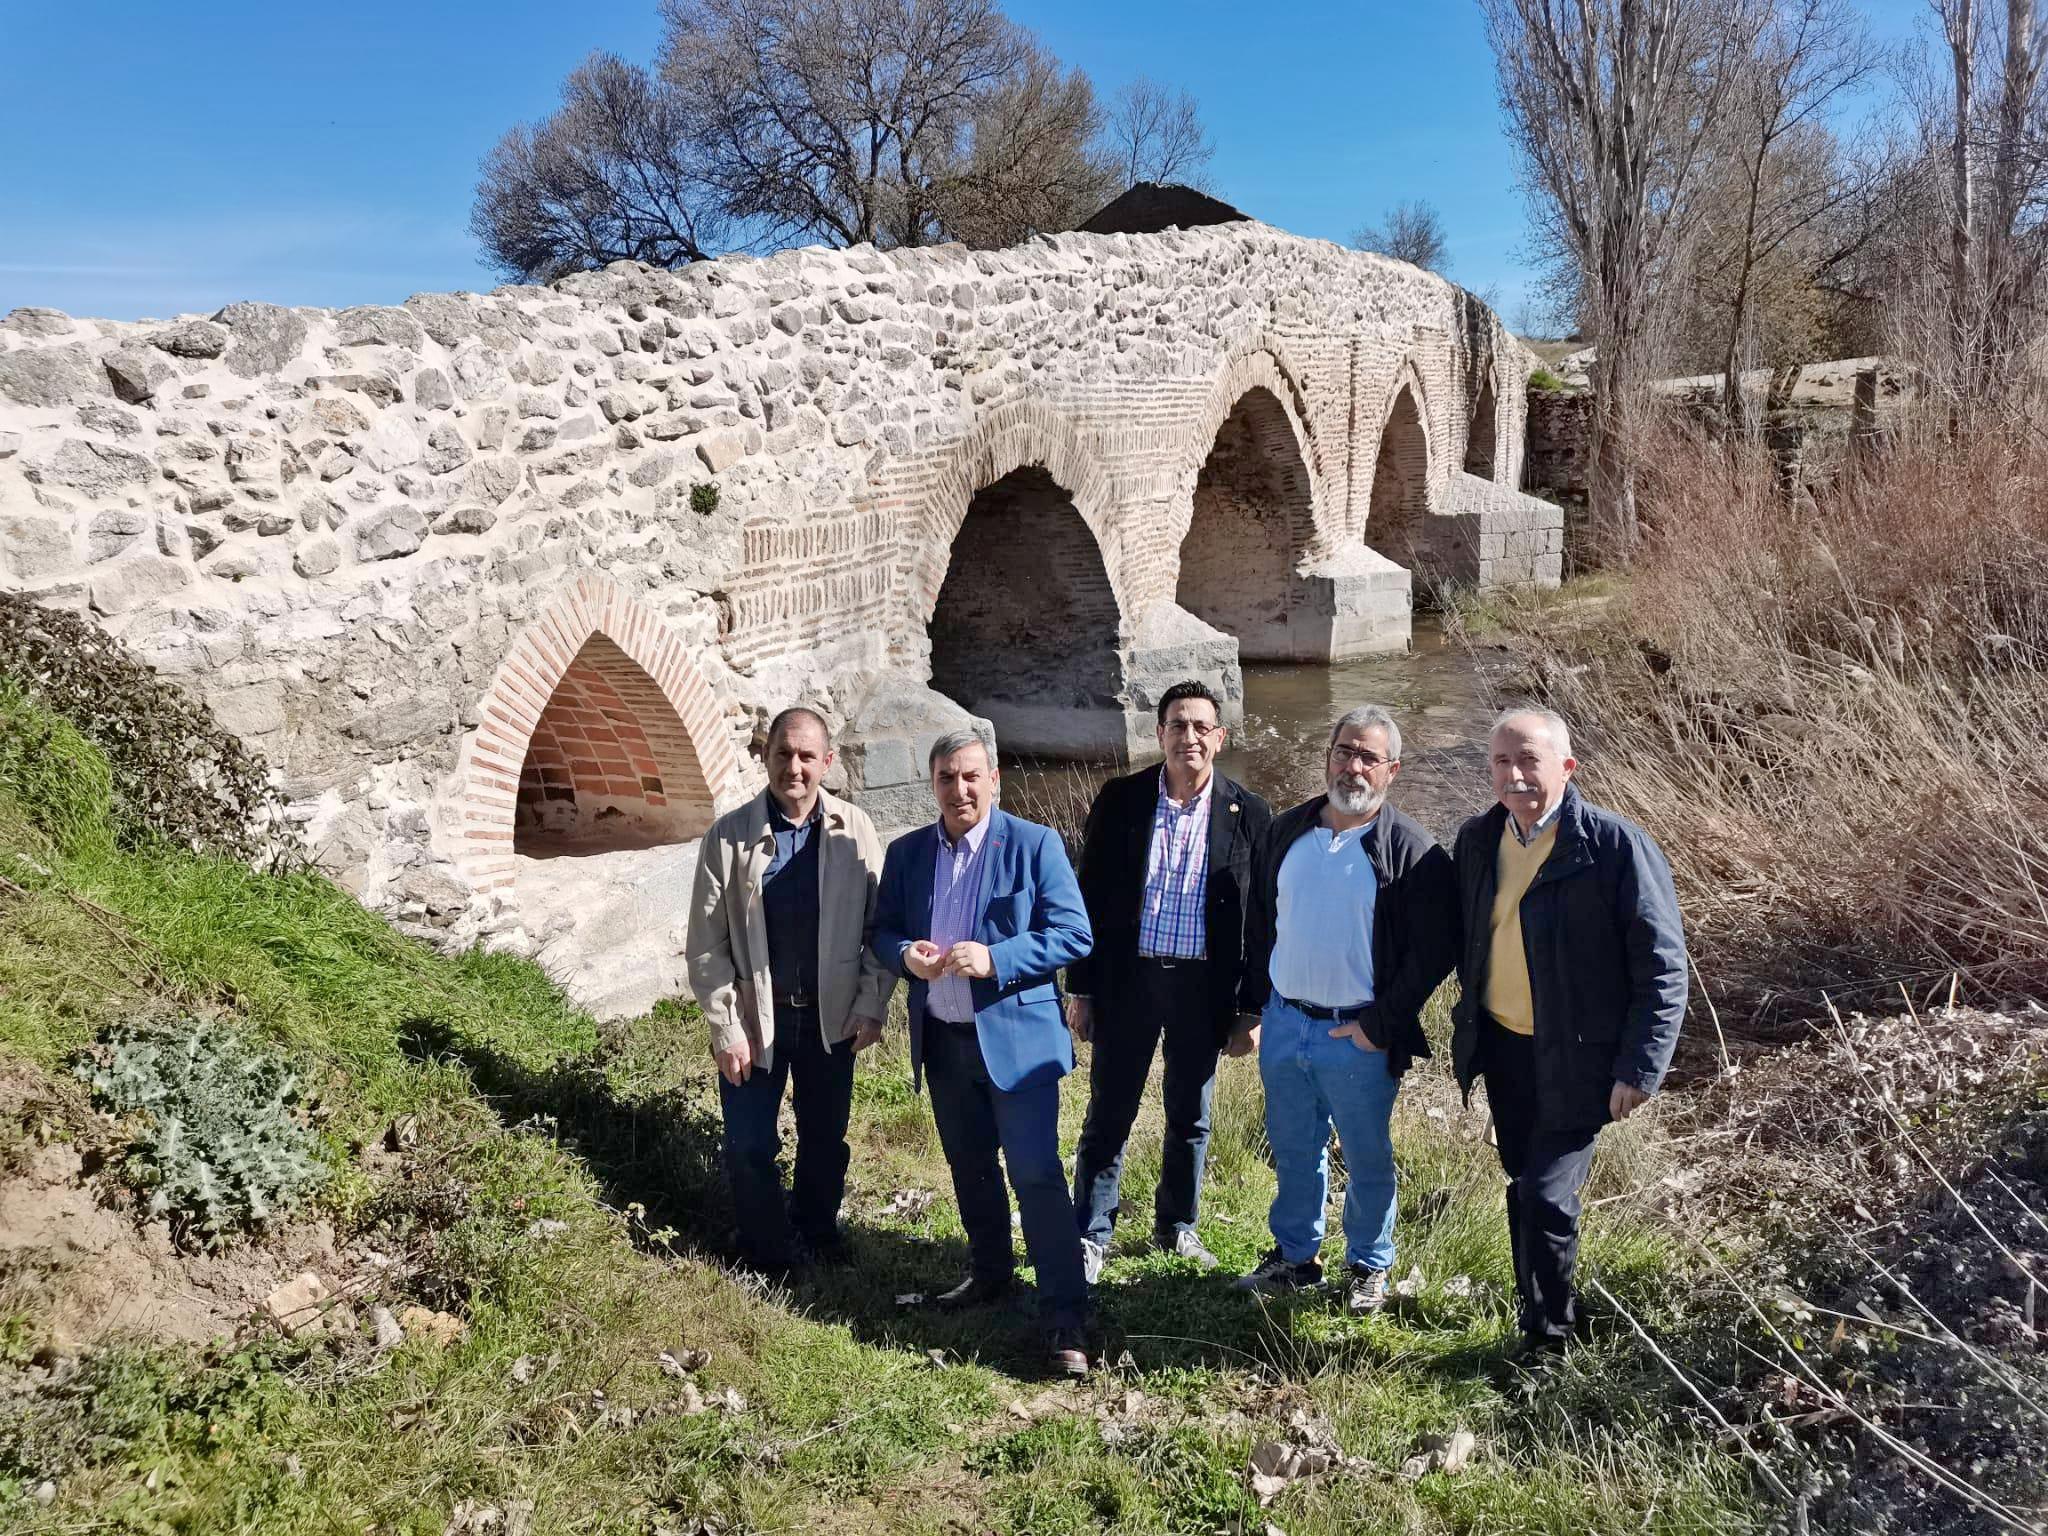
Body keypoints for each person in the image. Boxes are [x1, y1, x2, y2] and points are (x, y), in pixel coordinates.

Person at [1450, 707, 1687, 1363]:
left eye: (1530, 760)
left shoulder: (1613, 848)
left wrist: (1641, 1068)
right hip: (1504, 1048)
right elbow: (1459, 936)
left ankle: (1551, 1341)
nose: (1516, 775)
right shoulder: (1479, 840)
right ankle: (1535, 1314)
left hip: (1579, 1056)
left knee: (1546, 1195)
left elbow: (1662, 966)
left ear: (1567, 767)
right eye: (1502, 761)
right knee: (1522, 1181)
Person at [871, 725, 1096, 1376]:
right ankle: (992, 1274)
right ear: (933, 784)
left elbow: (1074, 933)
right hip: (943, 1042)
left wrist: (997, 957)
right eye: (947, 777)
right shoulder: (909, 853)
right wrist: (905, 956)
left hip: (1017, 1045)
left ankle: (1066, 1316)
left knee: (1034, 1173)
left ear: (994, 779)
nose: (959, 788)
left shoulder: (1033, 843)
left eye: (971, 775)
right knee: (970, 1169)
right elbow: (883, 932)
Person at [1234, 705, 1459, 1313]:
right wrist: (1254, 1008)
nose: (1352, 766)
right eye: (1343, 751)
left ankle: (1366, 1265)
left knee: (1366, 1156)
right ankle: (1295, 1257)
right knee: (1293, 1146)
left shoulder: (1412, 851)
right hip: (1285, 1021)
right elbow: (1261, 925)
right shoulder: (1286, 831)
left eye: (1368, 757)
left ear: (1392, 770)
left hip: (1354, 1035)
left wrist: (1379, 1027)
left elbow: (1432, 953)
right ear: (1327, 755)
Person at [1067, 680, 1272, 1281]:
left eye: (1201, 726)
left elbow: (1262, 917)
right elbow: (1091, 897)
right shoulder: (1122, 799)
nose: (1189, 737)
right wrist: (1080, 988)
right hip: (1129, 983)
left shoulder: (1249, 813)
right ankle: (1091, 1231)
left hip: (1202, 990)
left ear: (1220, 738)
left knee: (1191, 1113)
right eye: (1177, 725)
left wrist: (1252, 1008)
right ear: (1159, 735)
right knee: (1110, 1110)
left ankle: (1177, 1226)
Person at [685, 707, 892, 1275]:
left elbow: (880, 930)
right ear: (765, 757)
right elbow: (707, 946)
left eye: (807, 756)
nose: (794, 768)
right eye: (783, 754)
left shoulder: (856, 830)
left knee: (825, 1139)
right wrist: (726, 1027)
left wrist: (871, 1004)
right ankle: (766, 1253)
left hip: (831, 1018)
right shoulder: (728, 838)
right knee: (749, 1146)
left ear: (827, 762)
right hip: (758, 1020)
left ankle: (818, 1233)